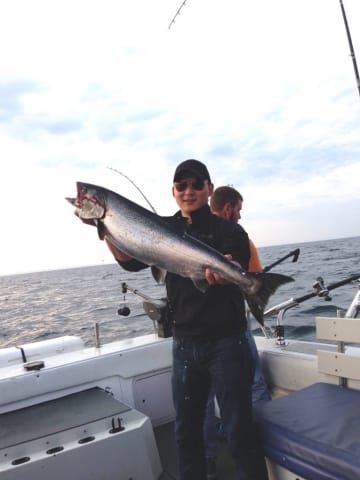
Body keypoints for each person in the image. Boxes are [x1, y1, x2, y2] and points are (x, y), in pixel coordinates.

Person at [87, 159, 269, 480]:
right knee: (187, 433)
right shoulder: (162, 228)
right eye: (181, 186)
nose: (189, 191)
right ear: (173, 191)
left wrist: (229, 273)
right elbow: (131, 263)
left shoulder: (230, 229)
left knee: (240, 431)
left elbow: (236, 261)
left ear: (209, 189)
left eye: (197, 185)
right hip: (184, 345)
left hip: (228, 342)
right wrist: (106, 227)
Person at [204, 186, 271, 479]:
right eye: (239, 209)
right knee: (254, 382)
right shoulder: (241, 237)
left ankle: (207, 458)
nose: (240, 215)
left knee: (203, 399)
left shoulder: (192, 235)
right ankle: (266, 440)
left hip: (194, 333)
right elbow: (255, 281)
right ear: (229, 207)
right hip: (232, 329)